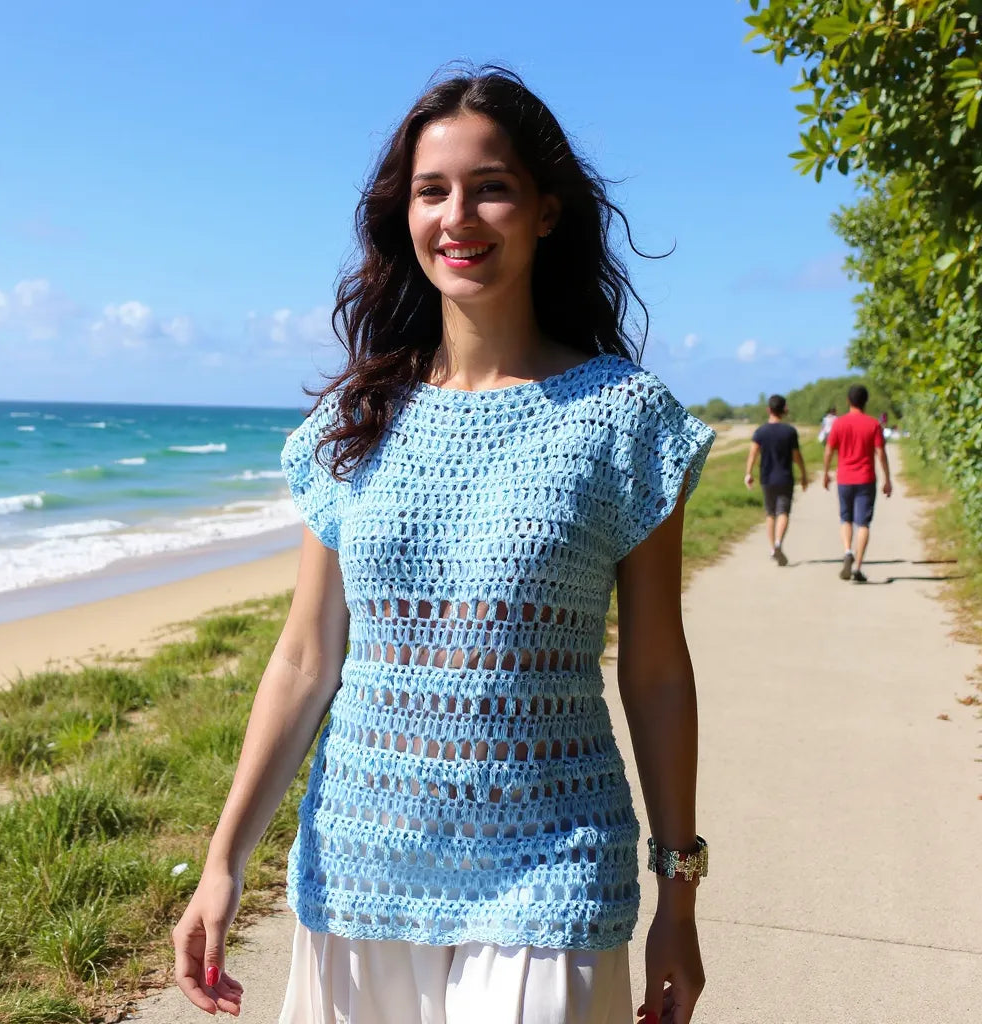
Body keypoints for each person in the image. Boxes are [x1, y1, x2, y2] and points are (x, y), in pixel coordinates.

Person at [171, 64, 714, 1024]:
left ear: (546, 210)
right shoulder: (357, 419)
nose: (458, 215)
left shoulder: (625, 420)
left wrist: (679, 892)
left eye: (490, 186)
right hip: (357, 868)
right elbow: (305, 658)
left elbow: (659, 672)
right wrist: (223, 863)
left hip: (554, 875)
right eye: (432, 191)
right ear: (405, 214)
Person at [823, 383, 893, 583]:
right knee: (863, 523)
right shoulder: (873, 424)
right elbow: (881, 453)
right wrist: (887, 480)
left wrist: (826, 473)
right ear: (866, 402)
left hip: (844, 478)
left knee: (845, 519)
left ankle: (847, 551)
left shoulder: (839, 424)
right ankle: (858, 566)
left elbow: (829, 450)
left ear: (848, 401)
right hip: (866, 479)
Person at [744, 394, 808, 566]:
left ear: (768, 410)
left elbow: (753, 454)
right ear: (784, 410)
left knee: (770, 513)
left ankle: (773, 548)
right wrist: (803, 474)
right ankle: (779, 543)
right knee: (783, 512)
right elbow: (797, 456)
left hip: (767, 478)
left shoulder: (760, 431)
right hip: (785, 478)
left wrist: (748, 473)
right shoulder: (790, 431)